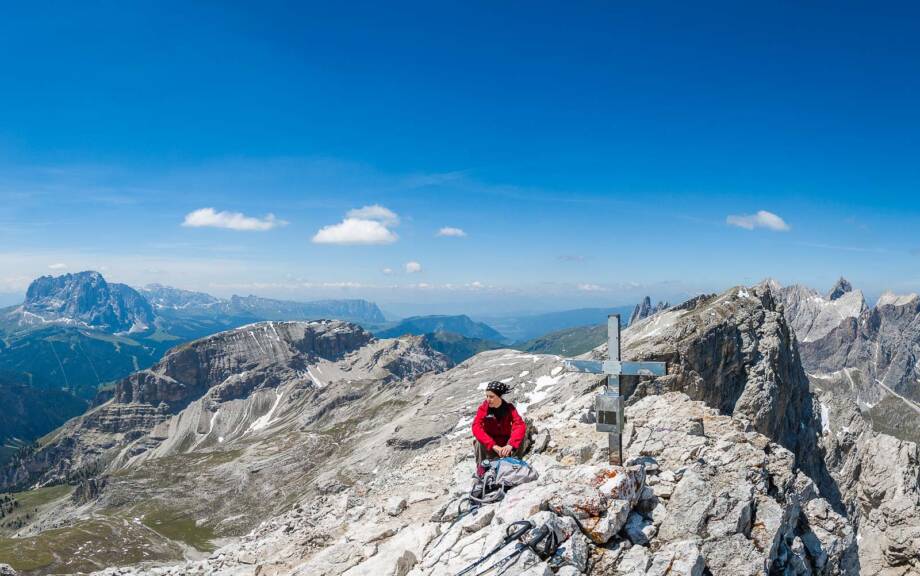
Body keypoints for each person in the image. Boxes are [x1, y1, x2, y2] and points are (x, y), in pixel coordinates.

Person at [472, 381, 528, 476]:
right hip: (491, 448)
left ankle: (515, 464)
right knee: (478, 441)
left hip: (506, 448)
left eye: (491, 396)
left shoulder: (509, 408)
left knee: (521, 436)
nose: (488, 399)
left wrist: (510, 445)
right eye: (487, 396)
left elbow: (519, 425)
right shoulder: (484, 408)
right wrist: (494, 446)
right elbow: (476, 427)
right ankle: (481, 471)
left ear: (499, 396)